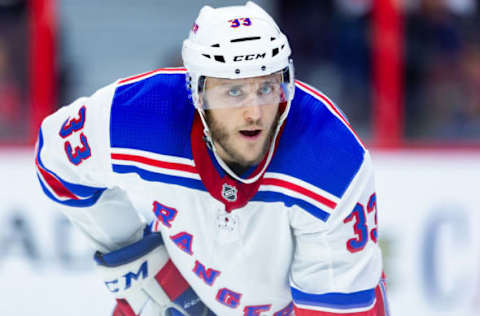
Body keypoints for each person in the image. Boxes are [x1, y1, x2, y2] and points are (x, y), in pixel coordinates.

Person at [35, 2, 389, 315]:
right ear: (196, 93)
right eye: (233, 91)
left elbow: (336, 307)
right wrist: (138, 262)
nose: (254, 112)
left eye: (266, 88)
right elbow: (57, 159)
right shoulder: (138, 117)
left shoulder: (330, 160)